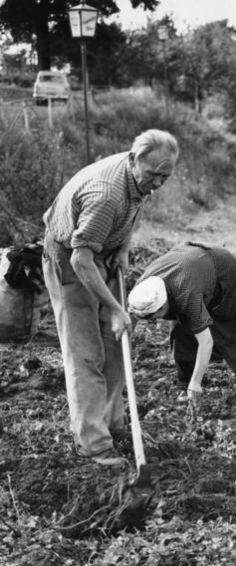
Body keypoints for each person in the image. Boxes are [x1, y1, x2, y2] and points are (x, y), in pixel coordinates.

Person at [42, 129, 179, 466]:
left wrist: (123, 247)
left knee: (116, 342)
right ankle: (93, 444)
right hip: (70, 261)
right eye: (153, 175)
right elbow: (79, 259)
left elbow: (132, 208)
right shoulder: (106, 195)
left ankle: (112, 423)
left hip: (100, 252)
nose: (158, 183)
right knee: (86, 352)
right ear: (133, 160)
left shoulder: (139, 178)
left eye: (166, 176)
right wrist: (117, 308)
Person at [127, 242, 236, 400]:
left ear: (163, 306)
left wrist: (197, 384)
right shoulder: (143, 288)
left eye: (153, 317)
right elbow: (130, 320)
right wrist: (124, 354)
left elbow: (206, 342)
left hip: (225, 275)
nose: (152, 321)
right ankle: (186, 386)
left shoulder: (187, 296)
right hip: (193, 271)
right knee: (181, 334)